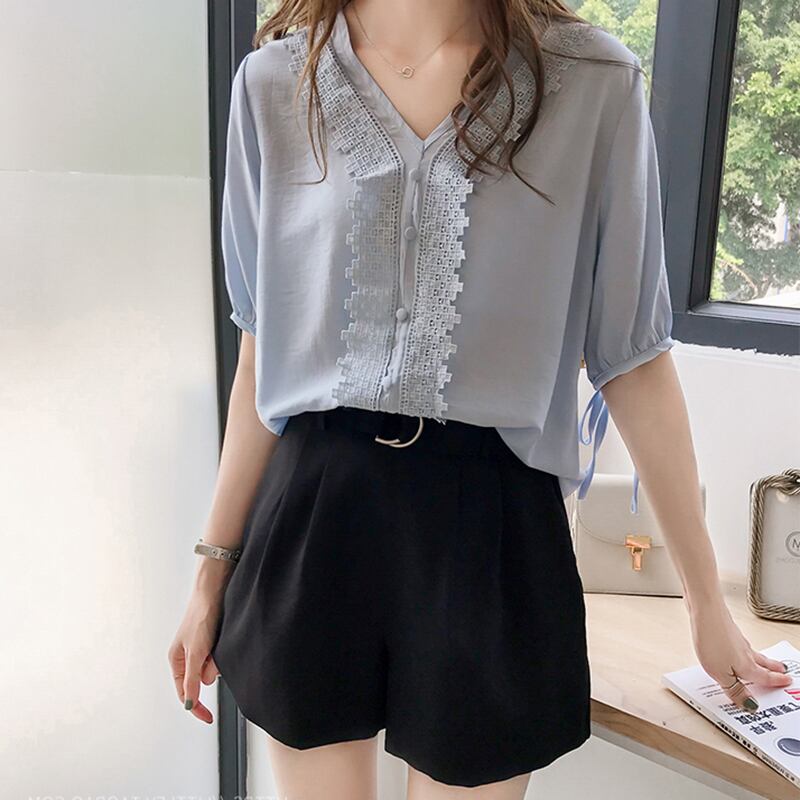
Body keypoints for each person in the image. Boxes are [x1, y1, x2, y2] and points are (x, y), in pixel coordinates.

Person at [168, 1, 793, 798]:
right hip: (314, 513)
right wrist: (209, 577)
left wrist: (707, 604)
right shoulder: (274, 84)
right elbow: (263, 350)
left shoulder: (593, 82)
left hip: (492, 526)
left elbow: (633, 359)